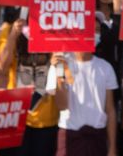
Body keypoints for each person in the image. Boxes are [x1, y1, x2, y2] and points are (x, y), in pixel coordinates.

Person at [0, 9, 61, 156]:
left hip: (46, 119)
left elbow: (61, 67)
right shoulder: (9, 31)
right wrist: (13, 36)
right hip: (16, 116)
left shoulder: (55, 28)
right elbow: (2, 67)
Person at [46, 23, 118, 156]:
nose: (94, 35)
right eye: (88, 30)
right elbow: (61, 106)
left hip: (97, 138)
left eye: (96, 31)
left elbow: (110, 109)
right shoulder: (60, 65)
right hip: (69, 136)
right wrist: (59, 73)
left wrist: (112, 147)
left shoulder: (106, 68)